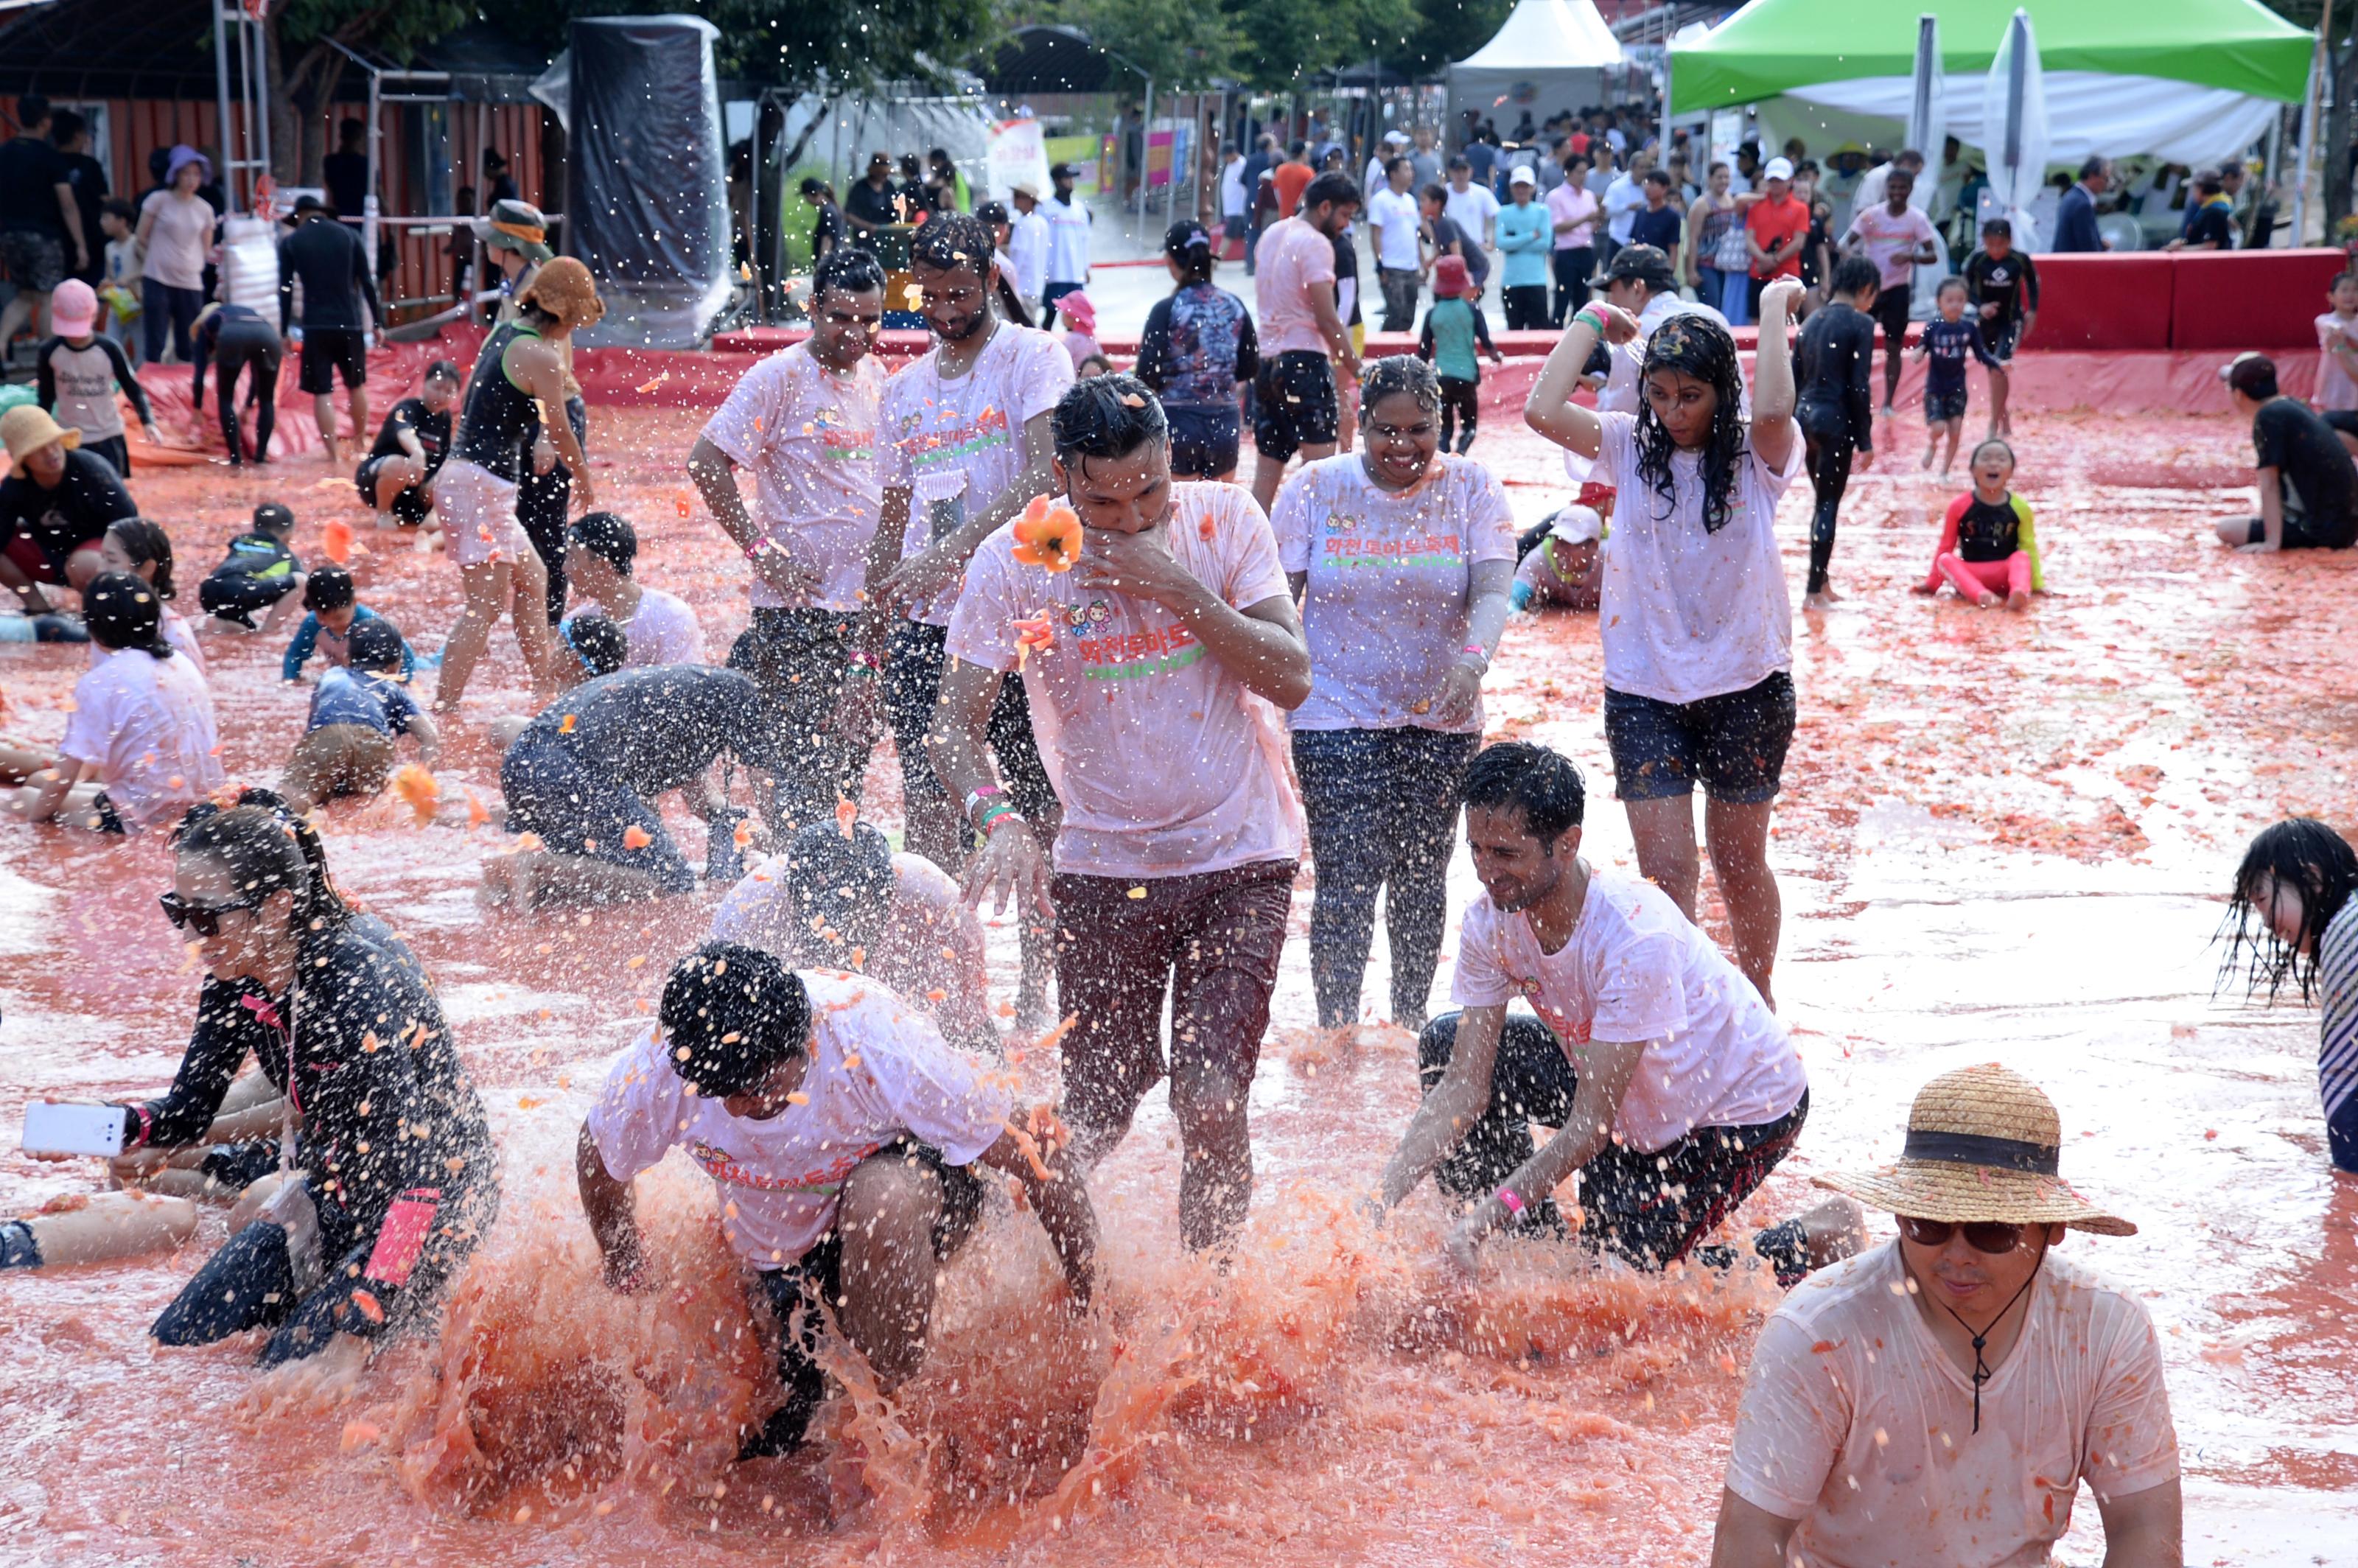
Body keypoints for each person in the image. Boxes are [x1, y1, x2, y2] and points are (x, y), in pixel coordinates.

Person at [935, 376, 1312, 1250]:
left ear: (1170, 459)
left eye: (1147, 490)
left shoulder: (1222, 524)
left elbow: (1290, 675)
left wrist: (1177, 587)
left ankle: (1206, 1316)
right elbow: (950, 729)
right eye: (1099, 500)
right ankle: (996, 1249)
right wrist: (998, 818)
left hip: (1240, 853)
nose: (1129, 517)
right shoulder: (1014, 560)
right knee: (1098, 1108)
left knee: (1211, 1100)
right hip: (1104, 862)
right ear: (1062, 477)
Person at [578, 944, 1094, 1457]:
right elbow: (596, 1157)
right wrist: (623, 1262)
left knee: (880, 1202)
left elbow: (1037, 1150)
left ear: (804, 1041)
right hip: (783, 1248)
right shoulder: (666, 1070)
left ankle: (890, 1432)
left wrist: (1095, 1302)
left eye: (760, 1084)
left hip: (919, 1191)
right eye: (721, 1092)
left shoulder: (877, 1043)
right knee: (781, 1423)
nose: (739, 1105)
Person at [1374, 742, 1856, 1281]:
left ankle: (1815, 1239)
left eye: (1506, 854)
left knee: (1613, 1293)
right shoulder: (1492, 922)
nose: (1487, 872)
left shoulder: (1632, 935)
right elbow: (1465, 1087)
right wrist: (1377, 1204)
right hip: (1616, 1084)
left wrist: (1484, 1218)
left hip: (1736, 1107)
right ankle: (1526, 1248)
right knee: (1444, 1043)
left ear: (1567, 844)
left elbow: (1590, 1128)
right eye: (1477, 850)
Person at [1714, 1064, 2182, 1568]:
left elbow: (2144, 1527)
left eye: (1990, 1231)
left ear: (2053, 1229)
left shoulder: (2106, 1329)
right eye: (1928, 1224)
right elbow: (1752, 1533)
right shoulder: (1816, 1332)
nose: (1957, 1255)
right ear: (1897, 1216)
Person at [97, 793, 500, 1365]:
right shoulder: (234, 977)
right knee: (178, 1339)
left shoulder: (353, 985)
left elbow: (421, 1178)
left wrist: (358, 1333)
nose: (191, 937)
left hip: (433, 1212)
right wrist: (85, 1130)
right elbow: (189, 1112)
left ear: (278, 906)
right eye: (177, 912)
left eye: (206, 917)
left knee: (285, 1378)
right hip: (337, 1189)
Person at [1525, 281, 1806, 1005]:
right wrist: (1589, 320)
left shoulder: (1754, 455)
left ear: (1721, 392)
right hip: (1644, 690)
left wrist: (1771, 309)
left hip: (1746, 685)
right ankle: (1682, 1010)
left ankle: (1756, 996)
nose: (1672, 412)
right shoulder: (1624, 446)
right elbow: (1539, 409)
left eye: (1690, 396)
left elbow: (1774, 406)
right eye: (1658, 393)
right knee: (1668, 869)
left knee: (1740, 862)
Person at [861, 214, 1069, 1024]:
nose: (944, 310)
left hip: (1023, 616)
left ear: (989, 279)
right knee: (930, 807)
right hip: (923, 623)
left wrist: (953, 554)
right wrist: (867, 638)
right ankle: (943, 998)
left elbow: (1045, 474)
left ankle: (1035, 991)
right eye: (928, 295)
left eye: (959, 292)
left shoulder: (1030, 356)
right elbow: (890, 519)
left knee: (1043, 811)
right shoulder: (904, 391)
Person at [1273, 357, 1514, 1030]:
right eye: (1385, 431)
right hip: (1332, 713)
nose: (1402, 448)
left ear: (1442, 422)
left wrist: (1472, 665)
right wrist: (1267, 693)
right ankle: (1338, 1034)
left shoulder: (1472, 488)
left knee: (1420, 879)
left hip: (1443, 717)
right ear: (1359, 423)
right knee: (1346, 883)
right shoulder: (1315, 490)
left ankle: (1409, 1028)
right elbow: (1275, 601)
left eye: (1420, 430)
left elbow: (1495, 591)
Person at [689, 245, 889, 836]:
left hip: (868, 610)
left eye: (869, 319)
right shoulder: (778, 377)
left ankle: (836, 895)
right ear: (812, 308)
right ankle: (798, 896)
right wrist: (758, 550)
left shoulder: (877, 376)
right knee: (801, 769)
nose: (855, 332)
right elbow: (705, 462)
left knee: (851, 763)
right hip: (798, 614)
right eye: (842, 317)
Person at [432, 256, 600, 710]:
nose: (575, 331)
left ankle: (543, 688)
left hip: (471, 479)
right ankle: (444, 708)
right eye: (577, 320)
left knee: (535, 577)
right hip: (479, 484)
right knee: (484, 606)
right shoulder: (541, 355)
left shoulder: (503, 332)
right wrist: (584, 478)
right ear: (564, 314)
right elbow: (560, 428)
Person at [489, 659, 772, 906]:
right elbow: (764, 789)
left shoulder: (698, 690)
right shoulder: (745, 697)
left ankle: (507, 877)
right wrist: (786, 848)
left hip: (524, 763)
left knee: (601, 875)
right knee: (673, 883)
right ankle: (538, 867)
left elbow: (701, 801)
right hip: (571, 770)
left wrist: (759, 842)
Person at [712, 819, 996, 1051]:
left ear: (886, 898)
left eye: (851, 924)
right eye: (820, 924)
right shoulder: (746, 915)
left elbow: (971, 1025)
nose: (838, 943)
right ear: (794, 898)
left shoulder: (942, 909)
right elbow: (718, 1030)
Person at [9, 573, 222, 833]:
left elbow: (64, 779)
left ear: (93, 627)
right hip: (204, 803)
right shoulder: (179, 661)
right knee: (40, 781)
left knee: (24, 798)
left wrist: (37, 828)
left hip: (144, 813)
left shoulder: (101, 681)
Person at [2219, 819, 2358, 1172]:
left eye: (2263, 899)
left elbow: (2344, 1070)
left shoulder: (2347, 931)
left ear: (2312, 879)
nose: (2265, 923)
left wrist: (2347, 1172)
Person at [1250, 172, 1363, 514]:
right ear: (1325, 207)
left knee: (1265, 478)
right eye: (1344, 215)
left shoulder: (1271, 234)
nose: (1345, 225)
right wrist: (1361, 372)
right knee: (1321, 478)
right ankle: (1315, 560)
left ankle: (1251, 557)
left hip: (1267, 364)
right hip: (1303, 363)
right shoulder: (1316, 244)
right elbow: (1327, 320)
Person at [1135, 221, 1259, 483]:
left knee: (1180, 516)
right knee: (1219, 513)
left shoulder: (1166, 310)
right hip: (1224, 423)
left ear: (1170, 261)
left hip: (1178, 424)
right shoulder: (1234, 305)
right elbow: (1249, 367)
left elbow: (1146, 374)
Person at [280, 617, 438, 813]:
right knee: (363, 809)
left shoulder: (332, 676)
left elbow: (314, 726)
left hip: (330, 734)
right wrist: (422, 786)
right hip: (374, 742)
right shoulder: (393, 688)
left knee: (289, 805)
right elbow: (430, 737)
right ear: (395, 665)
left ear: (347, 657)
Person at [1793, 256, 1880, 610]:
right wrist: (1866, 438)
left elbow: (1795, 379)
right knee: (1827, 505)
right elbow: (1859, 387)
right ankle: (1813, 591)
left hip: (1805, 417)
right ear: (1865, 290)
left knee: (1822, 503)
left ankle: (1822, 580)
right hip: (1835, 421)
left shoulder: (1810, 321)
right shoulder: (1861, 322)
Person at [2209, 352, 2358, 553]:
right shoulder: (2291, 406)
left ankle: (2282, 534)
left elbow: (2269, 483)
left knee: (2226, 530)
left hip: (2322, 531)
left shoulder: (2268, 418)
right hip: (2347, 526)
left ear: (2238, 394)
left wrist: (2271, 542)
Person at [0, 404, 136, 615]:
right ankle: (39, 607)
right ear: (23, 458)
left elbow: (131, 526)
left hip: (96, 559)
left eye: (52, 442)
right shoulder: (13, 487)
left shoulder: (91, 469)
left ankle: (105, 609)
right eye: (38, 449)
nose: (50, 452)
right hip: (51, 559)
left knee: (82, 564)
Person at [278, 193, 381, 468]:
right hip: (350, 323)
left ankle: (332, 454)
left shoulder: (292, 242)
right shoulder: (349, 236)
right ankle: (360, 442)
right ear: (322, 212)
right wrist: (379, 322)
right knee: (355, 384)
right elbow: (367, 282)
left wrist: (284, 329)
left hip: (315, 326)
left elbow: (285, 289)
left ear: (299, 216)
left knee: (322, 391)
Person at [1838, 165, 1939, 418]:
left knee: (1894, 347)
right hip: (1867, 289)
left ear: (1910, 189)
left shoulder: (1917, 218)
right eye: (1893, 187)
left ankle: (1889, 403)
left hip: (1897, 289)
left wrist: (1910, 256)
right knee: (1857, 344)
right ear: (1886, 189)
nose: (1897, 192)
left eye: (1902, 188)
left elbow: (1933, 254)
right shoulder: (1872, 215)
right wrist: (1860, 266)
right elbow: (1843, 245)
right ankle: (1854, 396)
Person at [1586, 245, 1728, 417]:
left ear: (1638, 287)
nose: (1610, 300)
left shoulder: (1634, 331)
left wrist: (1600, 386)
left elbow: (1616, 416)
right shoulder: (1715, 316)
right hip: (1728, 435)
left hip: (1670, 438)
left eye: (1612, 290)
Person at [35, 279, 158, 477]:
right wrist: (40, 434)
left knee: (111, 497)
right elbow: (46, 396)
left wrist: (148, 421)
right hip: (70, 439)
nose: (74, 336)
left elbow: (131, 386)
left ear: (94, 315)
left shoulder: (109, 349)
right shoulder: (50, 351)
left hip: (108, 437)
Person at [0, 95, 88, 351]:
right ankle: (50, 354)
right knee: (49, 295)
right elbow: (68, 204)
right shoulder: (50, 157)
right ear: (46, 122)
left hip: (10, 235)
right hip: (43, 235)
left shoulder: (4, 153)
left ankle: (1, 342)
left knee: (25, 295)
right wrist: (80, 245)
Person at [561, 510, 703, 667]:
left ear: (602, 565)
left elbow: (683, 685)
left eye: (572, 558)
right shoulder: (576, 626)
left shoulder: (672, 618)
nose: (564, 568)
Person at [1914, 437, 2043, 610]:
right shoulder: (1958, 506)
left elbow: (2029, 547)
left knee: (2022, 557)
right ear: (1973, 470)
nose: (1993, 464)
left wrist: (2037, 585)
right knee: (1945, 559)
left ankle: (2019, 593)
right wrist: (1932, 584)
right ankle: (1981, 595)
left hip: (2004, 575)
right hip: (1970, 575)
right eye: (1986, 458)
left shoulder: (2021, 508)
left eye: (2001, 459)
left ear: (2011, 471)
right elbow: (1946, 546)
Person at [133, 147, 214, 365]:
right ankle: (151, 385)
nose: (191, 179)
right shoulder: (158, 200)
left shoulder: (204, 209)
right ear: (175, 174)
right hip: (158, 276)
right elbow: (141, 236)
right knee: (156, 339)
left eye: (196, 174)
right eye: (186, 173)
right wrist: (156, 255)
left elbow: (207, 248)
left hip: (190, 280)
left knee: (188, 342)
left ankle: (186, 388)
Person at [1415, 255, 1503, 453]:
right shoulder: (1472, 310)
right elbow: (1487, 343)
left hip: (1440, 379)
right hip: (1466, 377)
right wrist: (1496, 356)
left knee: (1444, 430)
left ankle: (1445, 461)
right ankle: (1461, 454)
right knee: (1470, 427)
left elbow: (1423, 353)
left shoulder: (1432, 314)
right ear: (1463, 282)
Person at [357, 359, 459, 529]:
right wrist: (417, 452)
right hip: (377, 483)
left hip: (415, 493)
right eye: (436, 388)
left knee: (453, 472)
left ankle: (433, 516)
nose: (441, 396)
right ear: (424, 384)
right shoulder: (406, 408)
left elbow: (445, 459)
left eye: (449, 392)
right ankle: (384, 513)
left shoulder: (445, 419)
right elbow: (404, 431)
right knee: (399, 464)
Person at [1914, 277, 2001, 474]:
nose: (1955, 305)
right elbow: (1921, 347)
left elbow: (1981, 353)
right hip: (1935, 388)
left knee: (1955, 431)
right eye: (1950, 300)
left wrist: (1998, 364)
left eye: (1960, 300)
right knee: (1938, 428)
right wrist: (1918, 354)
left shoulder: (1969, 328)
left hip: (1957, 388)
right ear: (1939, 302)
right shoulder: (1933, 327)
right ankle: (1932, 444)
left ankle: (1944, 471)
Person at [94, 517, 203, 671]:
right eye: (102, 557)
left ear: (147, 568)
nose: (100, 569)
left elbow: (192, 690)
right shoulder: (104, 621)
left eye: (111, 560)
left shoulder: (174, 633)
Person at [1962, 218, 2037, 440]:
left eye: (2001, 245)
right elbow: (1964, 287)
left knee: (1999, 368)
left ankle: (1993, 424)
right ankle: (2004, 419)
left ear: (2010, 241)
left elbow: (2033, 282)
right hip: (1986, 322)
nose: (1996, 250)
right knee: (1993, 372)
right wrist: (1980, 305)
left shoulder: (2019, 259)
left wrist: (2033, 310)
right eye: (1991, 245)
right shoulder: (1978, 259)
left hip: (2011, 320)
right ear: (1984, 241)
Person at [280, 562, 418, 682]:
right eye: (321, 617)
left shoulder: (371, 623)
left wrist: (402, 682)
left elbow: (406, 655)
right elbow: (294, 655)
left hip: (418, 667)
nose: (330, 624)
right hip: (349, 676)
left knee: (429, 664)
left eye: (338, 618)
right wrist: (291, 680)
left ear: (354, 603)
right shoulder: (311, 624)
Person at [190, 299, 283, 466]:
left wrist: (197, 408)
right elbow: (257, 375)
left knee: (225, 398)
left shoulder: (206, 326)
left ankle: (235, 457)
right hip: (268, 334)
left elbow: (199, 373)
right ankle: (261, 457)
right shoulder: (240, 312)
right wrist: (248, 405)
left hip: (233, 335)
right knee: (267, 399)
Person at [197, 502, 304, 631]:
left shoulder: (240, 540)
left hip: (209, 590)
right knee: (301, 581)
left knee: (245, 628)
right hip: (240, 591)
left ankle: (217, 625)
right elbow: (310, 594)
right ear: (288, 535)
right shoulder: (284, 555)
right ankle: (267, 632)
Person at [1744, 157, 1810, 323]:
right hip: (1759, 272)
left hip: (1787, 274)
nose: (1775, 184)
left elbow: (1799, 241)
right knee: (1756, 321)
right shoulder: (1756, 206)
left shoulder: (1800, 208)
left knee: (1788, 321)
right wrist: (1764, 259)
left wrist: (1774, 260)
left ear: (1790, 181)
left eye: (1780, 180)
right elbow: (1749, 238)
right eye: (1772, 180)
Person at [1511, 502, 1605, 613]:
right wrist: (1515, 616)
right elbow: (1511, 601)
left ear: (1594, 546)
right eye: (1558, 540)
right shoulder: (1540, 560)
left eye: (1569, 543)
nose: (1559, 550)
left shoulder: (1612, 564)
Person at [1367, 157, 1424, 334]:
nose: (1411, 174)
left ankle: (1401, 352)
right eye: (1406, 169)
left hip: (1411, 266)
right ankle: (1384, 350)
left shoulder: (1410, 200)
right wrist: (1379, 263)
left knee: (1409, 315)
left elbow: (1416, 234)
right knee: (1395, 313)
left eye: (1411, 169)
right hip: (1391, 266)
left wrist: (1422, 262)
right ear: (1393, 174)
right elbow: (1375, 234)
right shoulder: (1381, 200)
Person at [1495, 167, 1551, 331]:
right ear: (1512, 188)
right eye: (1518, 186)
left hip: (1536, 280)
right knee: (1514, 329)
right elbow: (1501, 243)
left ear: (1532, 188)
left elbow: (1545, 243)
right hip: (1512, 282)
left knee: (1539, 331)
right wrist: (1530, 236)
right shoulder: (1504, 212)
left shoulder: (1542, 211)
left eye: (1525, 186)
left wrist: (1516, 242)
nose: (1521, 190)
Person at [1548, 154, 1601, 324]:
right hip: (1566, 251)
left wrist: (1596, 220)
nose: (1583, 176)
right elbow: (1558, 226)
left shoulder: (1589, 195)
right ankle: (1554, 336)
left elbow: (1592, 223)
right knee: (1562, 298)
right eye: (1579, 172)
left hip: (1585, 249)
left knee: (1582, 299)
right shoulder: (1556, 196)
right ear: (1568, 172)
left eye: (1585, 172)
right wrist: (1585, 219)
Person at [1687, 162, 1742, 323]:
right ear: (1710, 179)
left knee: (1726, 307)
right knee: (1712, 308)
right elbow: (1693, 238)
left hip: (1728, 264)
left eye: (1726, 177)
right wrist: (1691, 270)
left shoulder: (1732, 200)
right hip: (1707, 264)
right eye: (1719, 177)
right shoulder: (1702, 204)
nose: (1723, 181)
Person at [1040, 163, 1092, 328]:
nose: (1071, 182)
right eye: (1066, 178)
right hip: (1055, 272)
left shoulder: (1080, 209)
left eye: (1072, 178)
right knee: (1050, 315)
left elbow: (1084, 240)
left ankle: (1073, 349)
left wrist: (1085, 268)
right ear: (1056, 181)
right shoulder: (1045, 208)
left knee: (1075, 318)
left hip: (1075, 273)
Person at [2312, 270, 2358, 449]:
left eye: (2355, 290)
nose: (2350, 295)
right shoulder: (2325, 321)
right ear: (2331, 297)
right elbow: (2335, 330)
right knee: (2329, 430)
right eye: (2344, 290)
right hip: (2334, 387)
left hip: (2354, 389)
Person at [1442, 156, 1500, 269]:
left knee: (1475, 285)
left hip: (1475, 249)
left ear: (1471, 171)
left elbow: (1499, 217)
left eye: (1464, 170)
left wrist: (1492, 243)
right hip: (1450, 250)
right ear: (1450, 172)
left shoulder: (1482, 193)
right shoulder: (1443, 193)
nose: (1461, 174)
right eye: (1457, 171)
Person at [1627, 169, 1684, 280]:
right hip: (1639, 269)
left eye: (1653, 184)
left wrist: (1669, 273)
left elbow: (1673, 249)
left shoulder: (1672, 216)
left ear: (1664, 188)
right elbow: (1634, 242)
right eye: (1647, 183)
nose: (1648, 187)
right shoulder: (1641, 212)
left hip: (1659, 270)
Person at [2164, 169, 2236, 252]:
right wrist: (2183, 243)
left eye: (2194, 188)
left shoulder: (2215, 211)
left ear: (2202, 188)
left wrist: (2178, 250)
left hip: (2211, 264)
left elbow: (2210, 247)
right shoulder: (2211, 208)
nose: (2193, 192)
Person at [2052, 155, 2112, 253]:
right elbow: (2089, 249)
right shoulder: (2083, 204)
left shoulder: (2071, 196)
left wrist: (2099, 244)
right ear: (2092, 176)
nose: (2108, 184)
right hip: (2074, 266)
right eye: (2106, 178)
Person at [321, 119, 370, 221]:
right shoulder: (365, 164)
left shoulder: (330, 161)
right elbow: (379, 195)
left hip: (341, 216)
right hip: (358, 217)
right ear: (359, 138)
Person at [843, 153, 900, 237]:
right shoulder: (860, 188)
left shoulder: (889, 187)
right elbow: (848, 215)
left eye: (886, 174)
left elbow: (897, 209)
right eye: (882, 173)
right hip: (865, 238)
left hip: (887, 236)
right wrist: (867, 226)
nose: (885, 176)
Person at [1272, 141, 1317, 225]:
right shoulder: (1308, 172)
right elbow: (1311, 194)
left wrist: (1283, 206)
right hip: (1301, 218)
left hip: (1284, 216)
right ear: (1303, 153)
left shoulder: (1280, 170)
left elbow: (1276, 192)